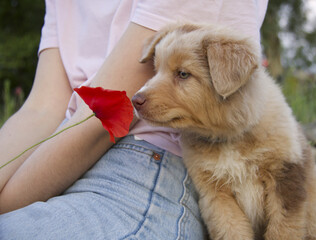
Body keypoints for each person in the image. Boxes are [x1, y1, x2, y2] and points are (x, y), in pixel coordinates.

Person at [0, 0, 268, 239]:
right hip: (55, 166)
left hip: (143, 172)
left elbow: (108, 111)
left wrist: (5, 206)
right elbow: (42, 109)